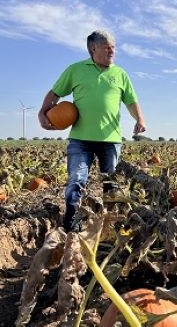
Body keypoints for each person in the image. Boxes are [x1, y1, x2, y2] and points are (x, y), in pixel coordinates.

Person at [38, 30, 146, 232]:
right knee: (76, 182)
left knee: (111, 186)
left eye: (113, 46)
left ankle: (112, 227)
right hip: (80, 139)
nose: (111, 50)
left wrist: (139, 118)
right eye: (106, 47)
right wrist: (42, 113)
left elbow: (131, 101)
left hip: (111, 140)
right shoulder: (75, 70)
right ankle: (73, 228)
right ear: (92, 49)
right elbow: (55, 93)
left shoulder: (120, 74)